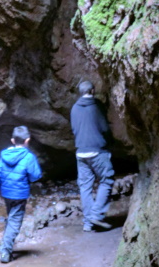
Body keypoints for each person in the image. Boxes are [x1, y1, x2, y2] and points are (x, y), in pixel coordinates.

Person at [0, 126, 42, 263]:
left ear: (13, 140)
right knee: (15, 221)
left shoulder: (4, 155)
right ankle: (5, 251)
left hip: (6, 193)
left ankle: (6, 244)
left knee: (11, 217)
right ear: (28, 140)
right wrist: (28, 180)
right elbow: (36, 175)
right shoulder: (29, 157)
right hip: (19, 194)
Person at [70, 80, 115, 232]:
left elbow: (74, 130)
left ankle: (88, 223)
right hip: (97, 150)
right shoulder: (97, 106)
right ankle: (96, 214)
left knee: (85, 187)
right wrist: (109, 143)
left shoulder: (74, 108)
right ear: (93, 90)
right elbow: (104, 128)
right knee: (107, 180)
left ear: (80, 92)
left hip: (81, 152)